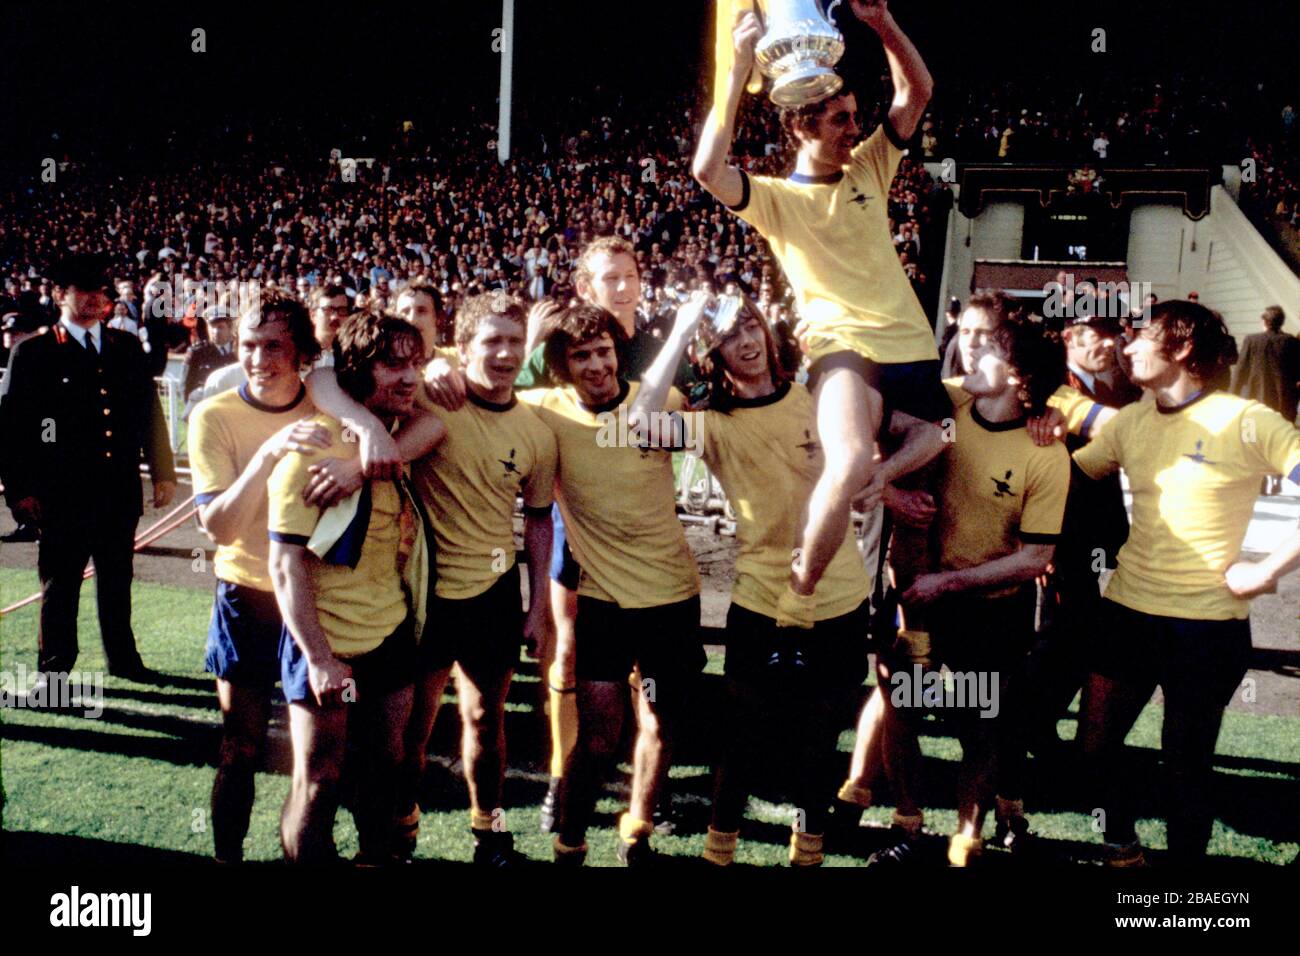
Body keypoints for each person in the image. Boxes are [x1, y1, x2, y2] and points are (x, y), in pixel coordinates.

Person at [694, 0, 949, 619]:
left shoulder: (870, 169)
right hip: (843, 350)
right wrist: (735, 73)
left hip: (912, 350)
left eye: (855, 117)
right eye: (839, 120)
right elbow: (707, 169)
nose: (853, 130)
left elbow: (918, 90)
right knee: (854, 458)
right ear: (803, 127)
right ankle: (799, 593)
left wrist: (882, 21)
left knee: (938, 449)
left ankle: (904, 646)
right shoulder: (778, 200)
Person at [636, 292, 871, 866]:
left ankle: (807, 856)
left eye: (749, 326)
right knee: (740, 740)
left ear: (766, 331)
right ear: (710, 356)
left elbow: (919, 432)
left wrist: (890, 477)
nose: (745, 341)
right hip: (760, 599)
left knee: (819, 743)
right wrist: (680, 329)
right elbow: (640, 425)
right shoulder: (712, 424)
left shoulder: (820, 400)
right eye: (725, 338)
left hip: (839, 597)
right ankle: (720, 854)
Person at [1074, 301, 1300, 866]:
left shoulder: (1246, 420)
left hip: (1207, 627)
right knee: (1093, 747)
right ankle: (1122, 846)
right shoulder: (1129, 421)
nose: (1126, 348)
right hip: (1126, 612)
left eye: (1142, 337)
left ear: (1180, 348)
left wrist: (1265, 570)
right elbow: (1067, 480)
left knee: (1185, 764)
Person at [877, 293, 1070, 867]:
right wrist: (889, 492)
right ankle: (907, 828)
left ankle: (968, 837)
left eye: (986, 342)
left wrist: (950, 584)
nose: (966, 345)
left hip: (990, 611)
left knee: (982, 726)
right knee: (904, 710)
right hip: (920, 607)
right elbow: (851, 421)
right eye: (968, 334)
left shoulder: (1046, 452)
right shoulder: (945, 403)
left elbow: (1036, 558)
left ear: (1019, 371)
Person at [520, 303, 702, 865]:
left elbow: (736, 443)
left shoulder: (665, 403)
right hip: (601, 602)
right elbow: (485, 385)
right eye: (581, 356)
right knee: (598, 740)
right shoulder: (544, 413)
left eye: (603, 351)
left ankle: (636, 834)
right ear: (562, 365)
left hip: (672, 597)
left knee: (659, 724)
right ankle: (569, 844)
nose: (597, 365)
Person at [268, 313, 433, 865]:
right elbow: (285, 566)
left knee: (385, 770)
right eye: (393, 365)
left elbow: (441, 426)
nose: (410, 378)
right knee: (319, 783)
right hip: (326, 643)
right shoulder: (311, 450)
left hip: (388, 636)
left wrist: (368, 455)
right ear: (357, 371)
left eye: (416, 364)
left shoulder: (399, 434)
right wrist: (318, 658)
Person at [189, 295, 333, 863]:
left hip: (319, 599)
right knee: (239, 747)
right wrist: (269, 453)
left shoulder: (329, 401)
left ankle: (310, 853)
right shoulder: (214, 414)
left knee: (318, 761)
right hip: (245, 594)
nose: (258, 357)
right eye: (249, 344)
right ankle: (227, 857)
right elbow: (219, 527)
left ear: (301, 351)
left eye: (273, 345)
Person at [0, 253, 176, 684]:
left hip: (117, 491)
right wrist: (19, 491)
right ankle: (55, 671)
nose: (94, 300)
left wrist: (164, 471)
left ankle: (124, 661)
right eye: (83, 291)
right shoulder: (34, 353)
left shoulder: (125, 348)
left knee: (117, 581)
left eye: (100, 292)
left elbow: (149, 413)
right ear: (60, 295)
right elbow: (11, 430)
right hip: (62, 495)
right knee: (61, 586)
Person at [1028, 312, 1139, 753]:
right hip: (1063, 535)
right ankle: (1030, 725)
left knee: (1074, 636)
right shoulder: (1056, 390)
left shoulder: (1101, 386)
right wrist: (1043, 541)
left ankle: (1039, 724)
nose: (1107, 346)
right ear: (1070, 336)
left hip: (1090, 533)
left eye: (1113, 337)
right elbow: (1049, 474)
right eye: (1098, 337)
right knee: (1065, 637)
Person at [1231, 305, 1300, 493]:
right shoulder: (1292, 343)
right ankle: (1277, 477)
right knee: (1280, 443)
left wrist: (1232, 396)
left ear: (1264, 321)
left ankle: (1258, 479)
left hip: (1254, 401)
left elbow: (1240, 371)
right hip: (1283, 401)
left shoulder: (1251, 341)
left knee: (1251, 440)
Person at [182, 306, 238, 403]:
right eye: (212, 327)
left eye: (220, 327)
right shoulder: (197, 352)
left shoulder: (239, 350)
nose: (215, 332)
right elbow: (185, 385)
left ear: (230, 328)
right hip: (206, 404)